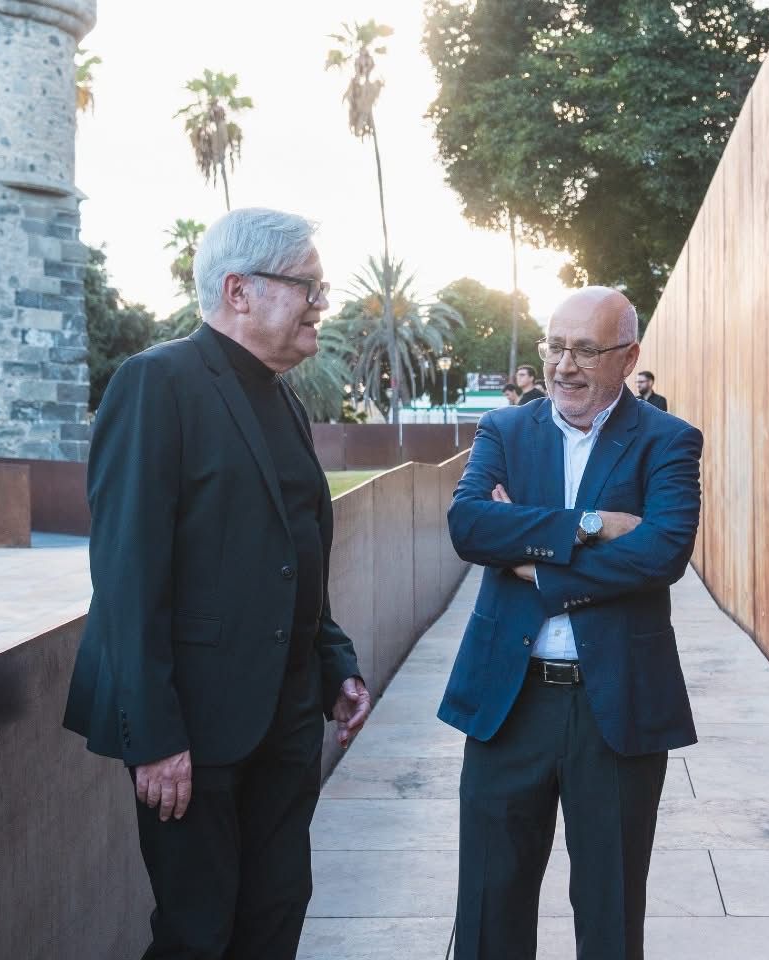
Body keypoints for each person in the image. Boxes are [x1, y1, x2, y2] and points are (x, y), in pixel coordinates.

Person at [63, 208, 372, 960]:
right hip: (193, 737)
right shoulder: (154, 383)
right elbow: (129, 581)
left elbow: (294, 558)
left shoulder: (284, 400)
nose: (320, 306)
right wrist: (156, 739)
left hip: (287, 722)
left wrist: (335, 663)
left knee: (275, 915)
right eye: (309, 287)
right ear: (240, 290)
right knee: (198, 934)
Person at [441, 287, 703, 959]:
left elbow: (661, 551)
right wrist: (588, 527)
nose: (564, 366)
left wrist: (532, 561)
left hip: (615, 706)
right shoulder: (506, 431)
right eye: (555, 347)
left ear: (630, 356)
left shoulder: (667, 441)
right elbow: (470, 525)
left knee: (610, 914)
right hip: (509, 701)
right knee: (488, 911)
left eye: (586, 350)